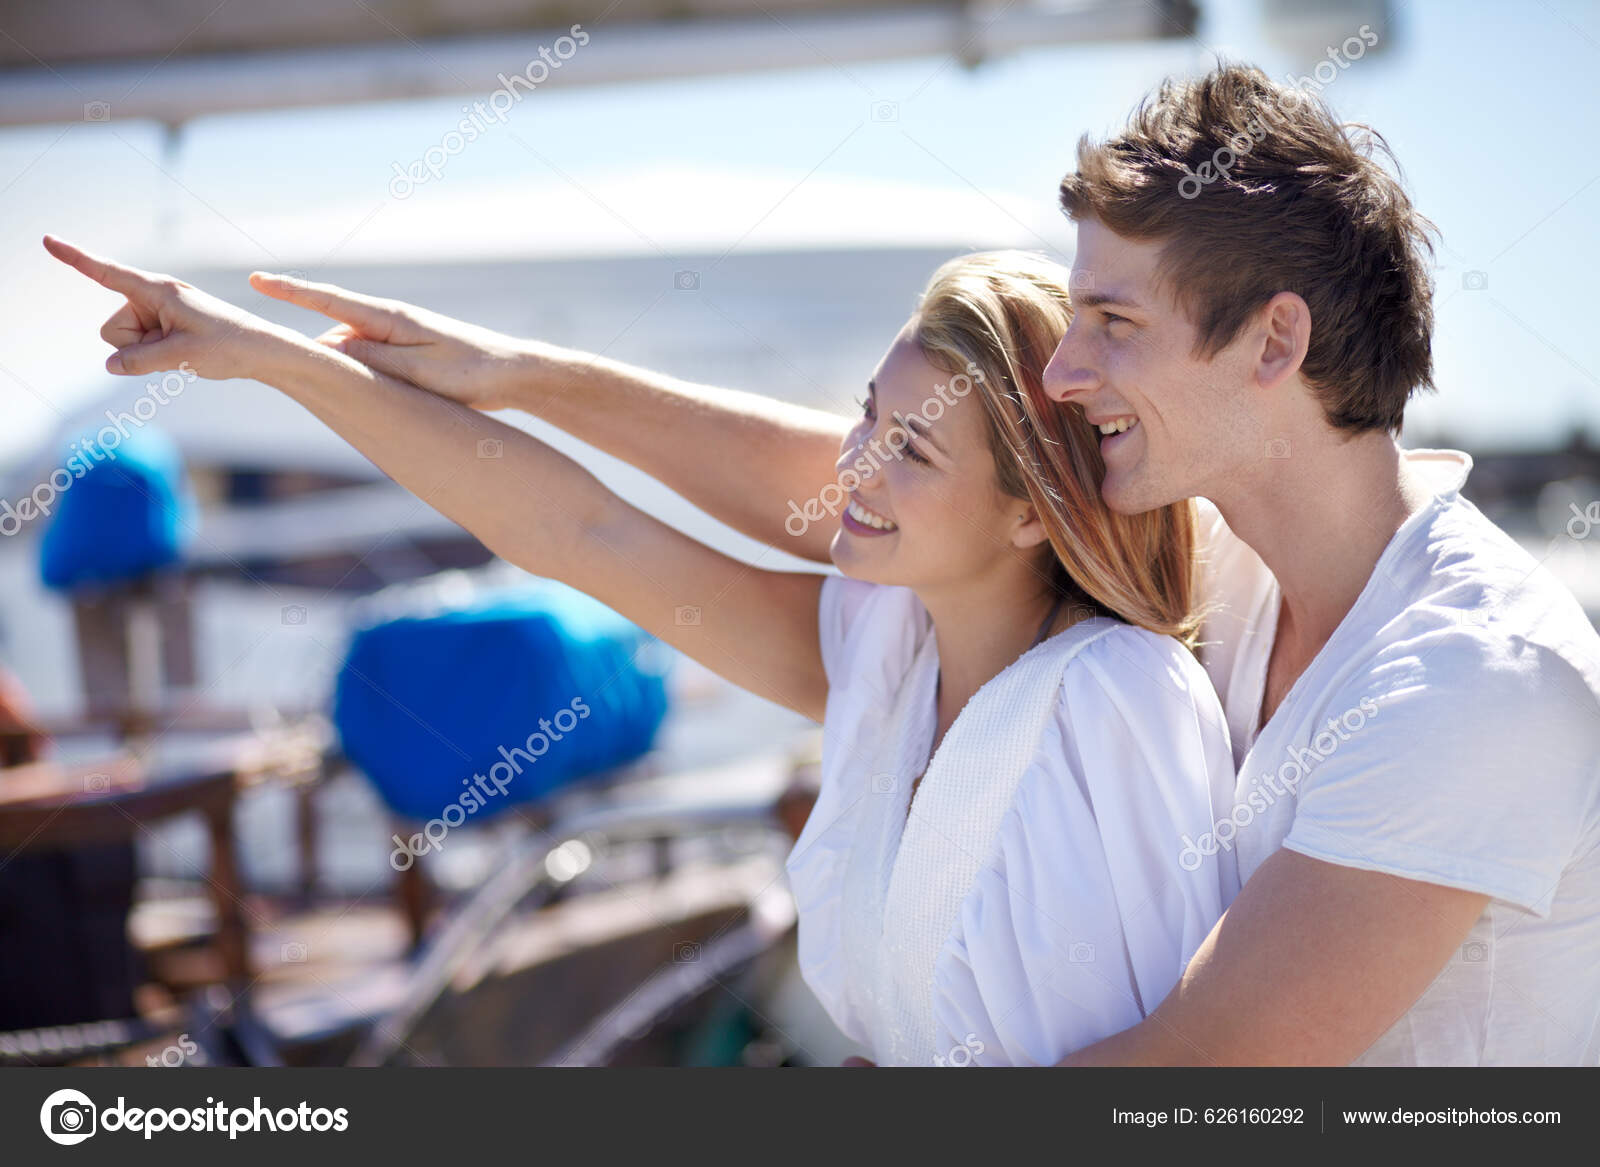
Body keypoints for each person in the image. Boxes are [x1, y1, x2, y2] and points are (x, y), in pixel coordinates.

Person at [236, 63, 1600, 1066]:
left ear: (1274, 342)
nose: (1071, 370)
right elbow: (845, 486)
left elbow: (1200, 1074)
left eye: (1113, 323)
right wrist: (519, 372)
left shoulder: (1471, 679)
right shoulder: (1230, 577)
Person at [47, 241, 1239, 1066]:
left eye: (910, 455)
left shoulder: (1118, 703)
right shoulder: (878, 663)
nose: (855, 474)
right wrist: (264, 353)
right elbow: (576, 528)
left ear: (1036, 511)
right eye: (867, 419)